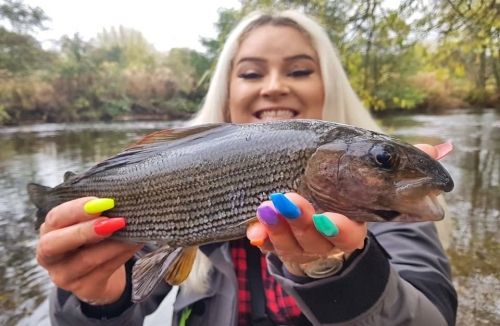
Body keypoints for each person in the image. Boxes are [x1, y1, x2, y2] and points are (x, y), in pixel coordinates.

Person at [35, 10, 457, 326]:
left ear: (329, 82)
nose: (274, 85)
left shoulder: (387, 212)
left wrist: (341, 274)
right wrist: (96, 301)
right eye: (252, 72)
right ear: (227, 89)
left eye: (299, 70)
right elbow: (113, 301)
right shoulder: (175, 177)